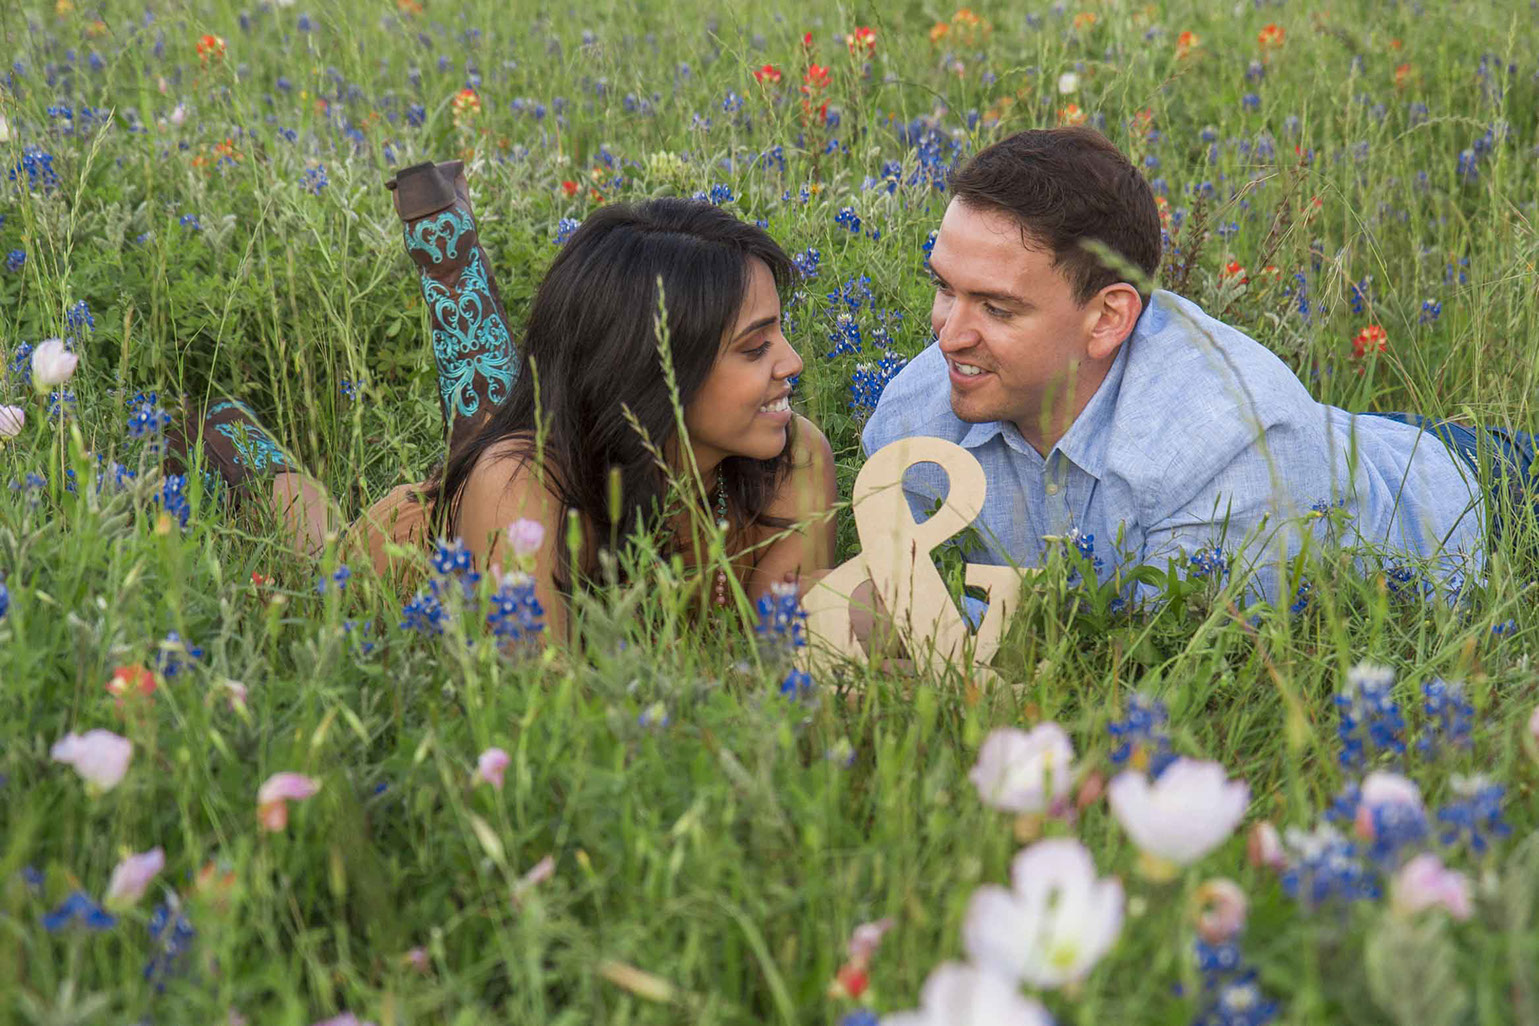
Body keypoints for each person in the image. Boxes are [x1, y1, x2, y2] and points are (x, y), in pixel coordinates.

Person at [863, 127, 1532, 606]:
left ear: (1107, 318)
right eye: (945, 288)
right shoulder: (909, 425)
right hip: (1335, 438)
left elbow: (1167, 664)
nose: (948, 336)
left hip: (1477, 495)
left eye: (997, 308)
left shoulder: (1234, 448)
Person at [170, 162, 837, 641]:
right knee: (316, 554)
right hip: (417, 553)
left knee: (490, 416)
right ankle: (230, 443)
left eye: (780, 331)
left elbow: (790, 653)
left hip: (541, 452)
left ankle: (448, 246)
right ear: (654, 371)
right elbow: (543, 703)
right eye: (754, 348)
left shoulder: (793, 454)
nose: (793, 362)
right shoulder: (519, 485)